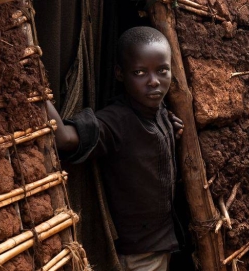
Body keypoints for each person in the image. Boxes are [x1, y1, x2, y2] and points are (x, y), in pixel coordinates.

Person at [46, 26, 184, 271]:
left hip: (161, 245)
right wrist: (37, 92)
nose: (153, 82)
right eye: (140, 72)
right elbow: (65, 139)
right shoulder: (115, 122)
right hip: (137, 255)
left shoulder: (160, 113)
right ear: (120, 74)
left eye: (162, 70)